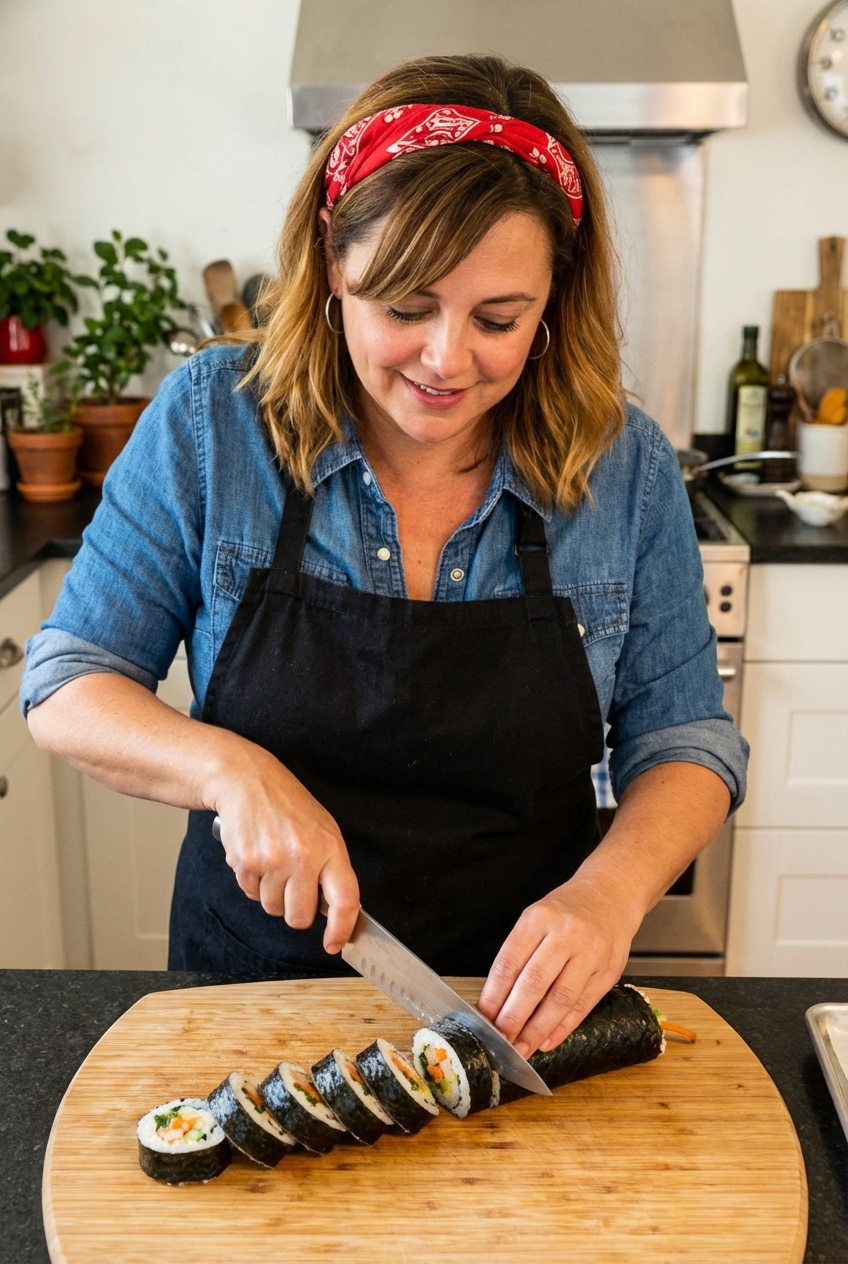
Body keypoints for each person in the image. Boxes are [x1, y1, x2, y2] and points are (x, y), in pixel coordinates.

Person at [22, 55, 747, 1061]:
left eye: (497, 318)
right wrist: (229, 770)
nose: (446, 359)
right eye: (404, 306)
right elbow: (66, 681)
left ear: (554, 298)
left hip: (519, 1013)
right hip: (249, 1005)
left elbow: (685, 741)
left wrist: (609, 893)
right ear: (329, 263)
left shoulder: (620, 464)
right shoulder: (212, 425)